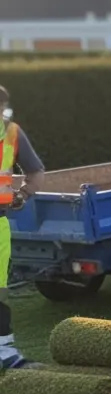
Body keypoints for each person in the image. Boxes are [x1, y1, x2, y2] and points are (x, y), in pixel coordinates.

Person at [0, 85, 44, 369]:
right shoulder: (12, 132)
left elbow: (36, 172)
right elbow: (36, 173)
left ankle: (4, 353)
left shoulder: (12, 134)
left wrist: (23, 194)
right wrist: (24, 195)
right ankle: (5, 355)